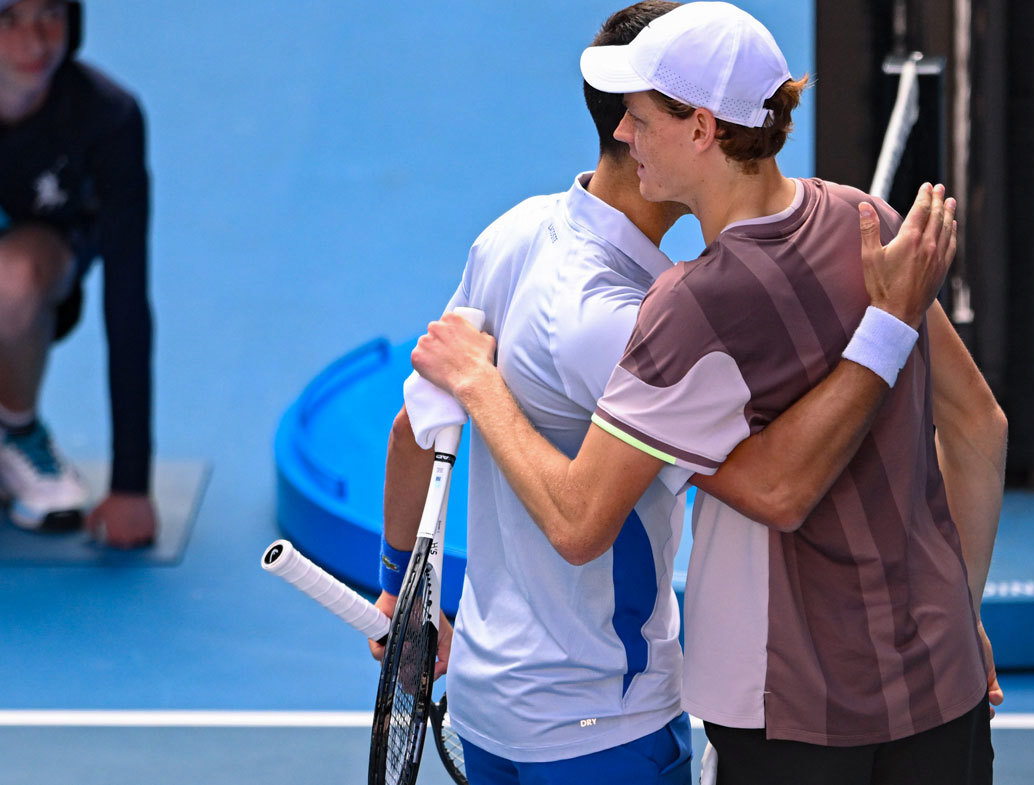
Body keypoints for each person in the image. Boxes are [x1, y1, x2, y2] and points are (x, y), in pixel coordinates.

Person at [378, 3, 992, 784]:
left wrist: (402, 587)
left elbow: (411, 429)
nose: (629, 133)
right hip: (608, 727)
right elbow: (777, 483)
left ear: (701, 129)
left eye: (641, 115)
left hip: (491, 707)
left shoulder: (511, 235)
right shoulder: (653, 314)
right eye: (628, 117)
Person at [0, 0, 156, 547]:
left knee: (12, 278)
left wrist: (131, 484)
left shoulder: (107, 117)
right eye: (6, 17)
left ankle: (15, 433)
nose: (35, 40)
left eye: (50, 13)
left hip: (37, 285)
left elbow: (128, 295)